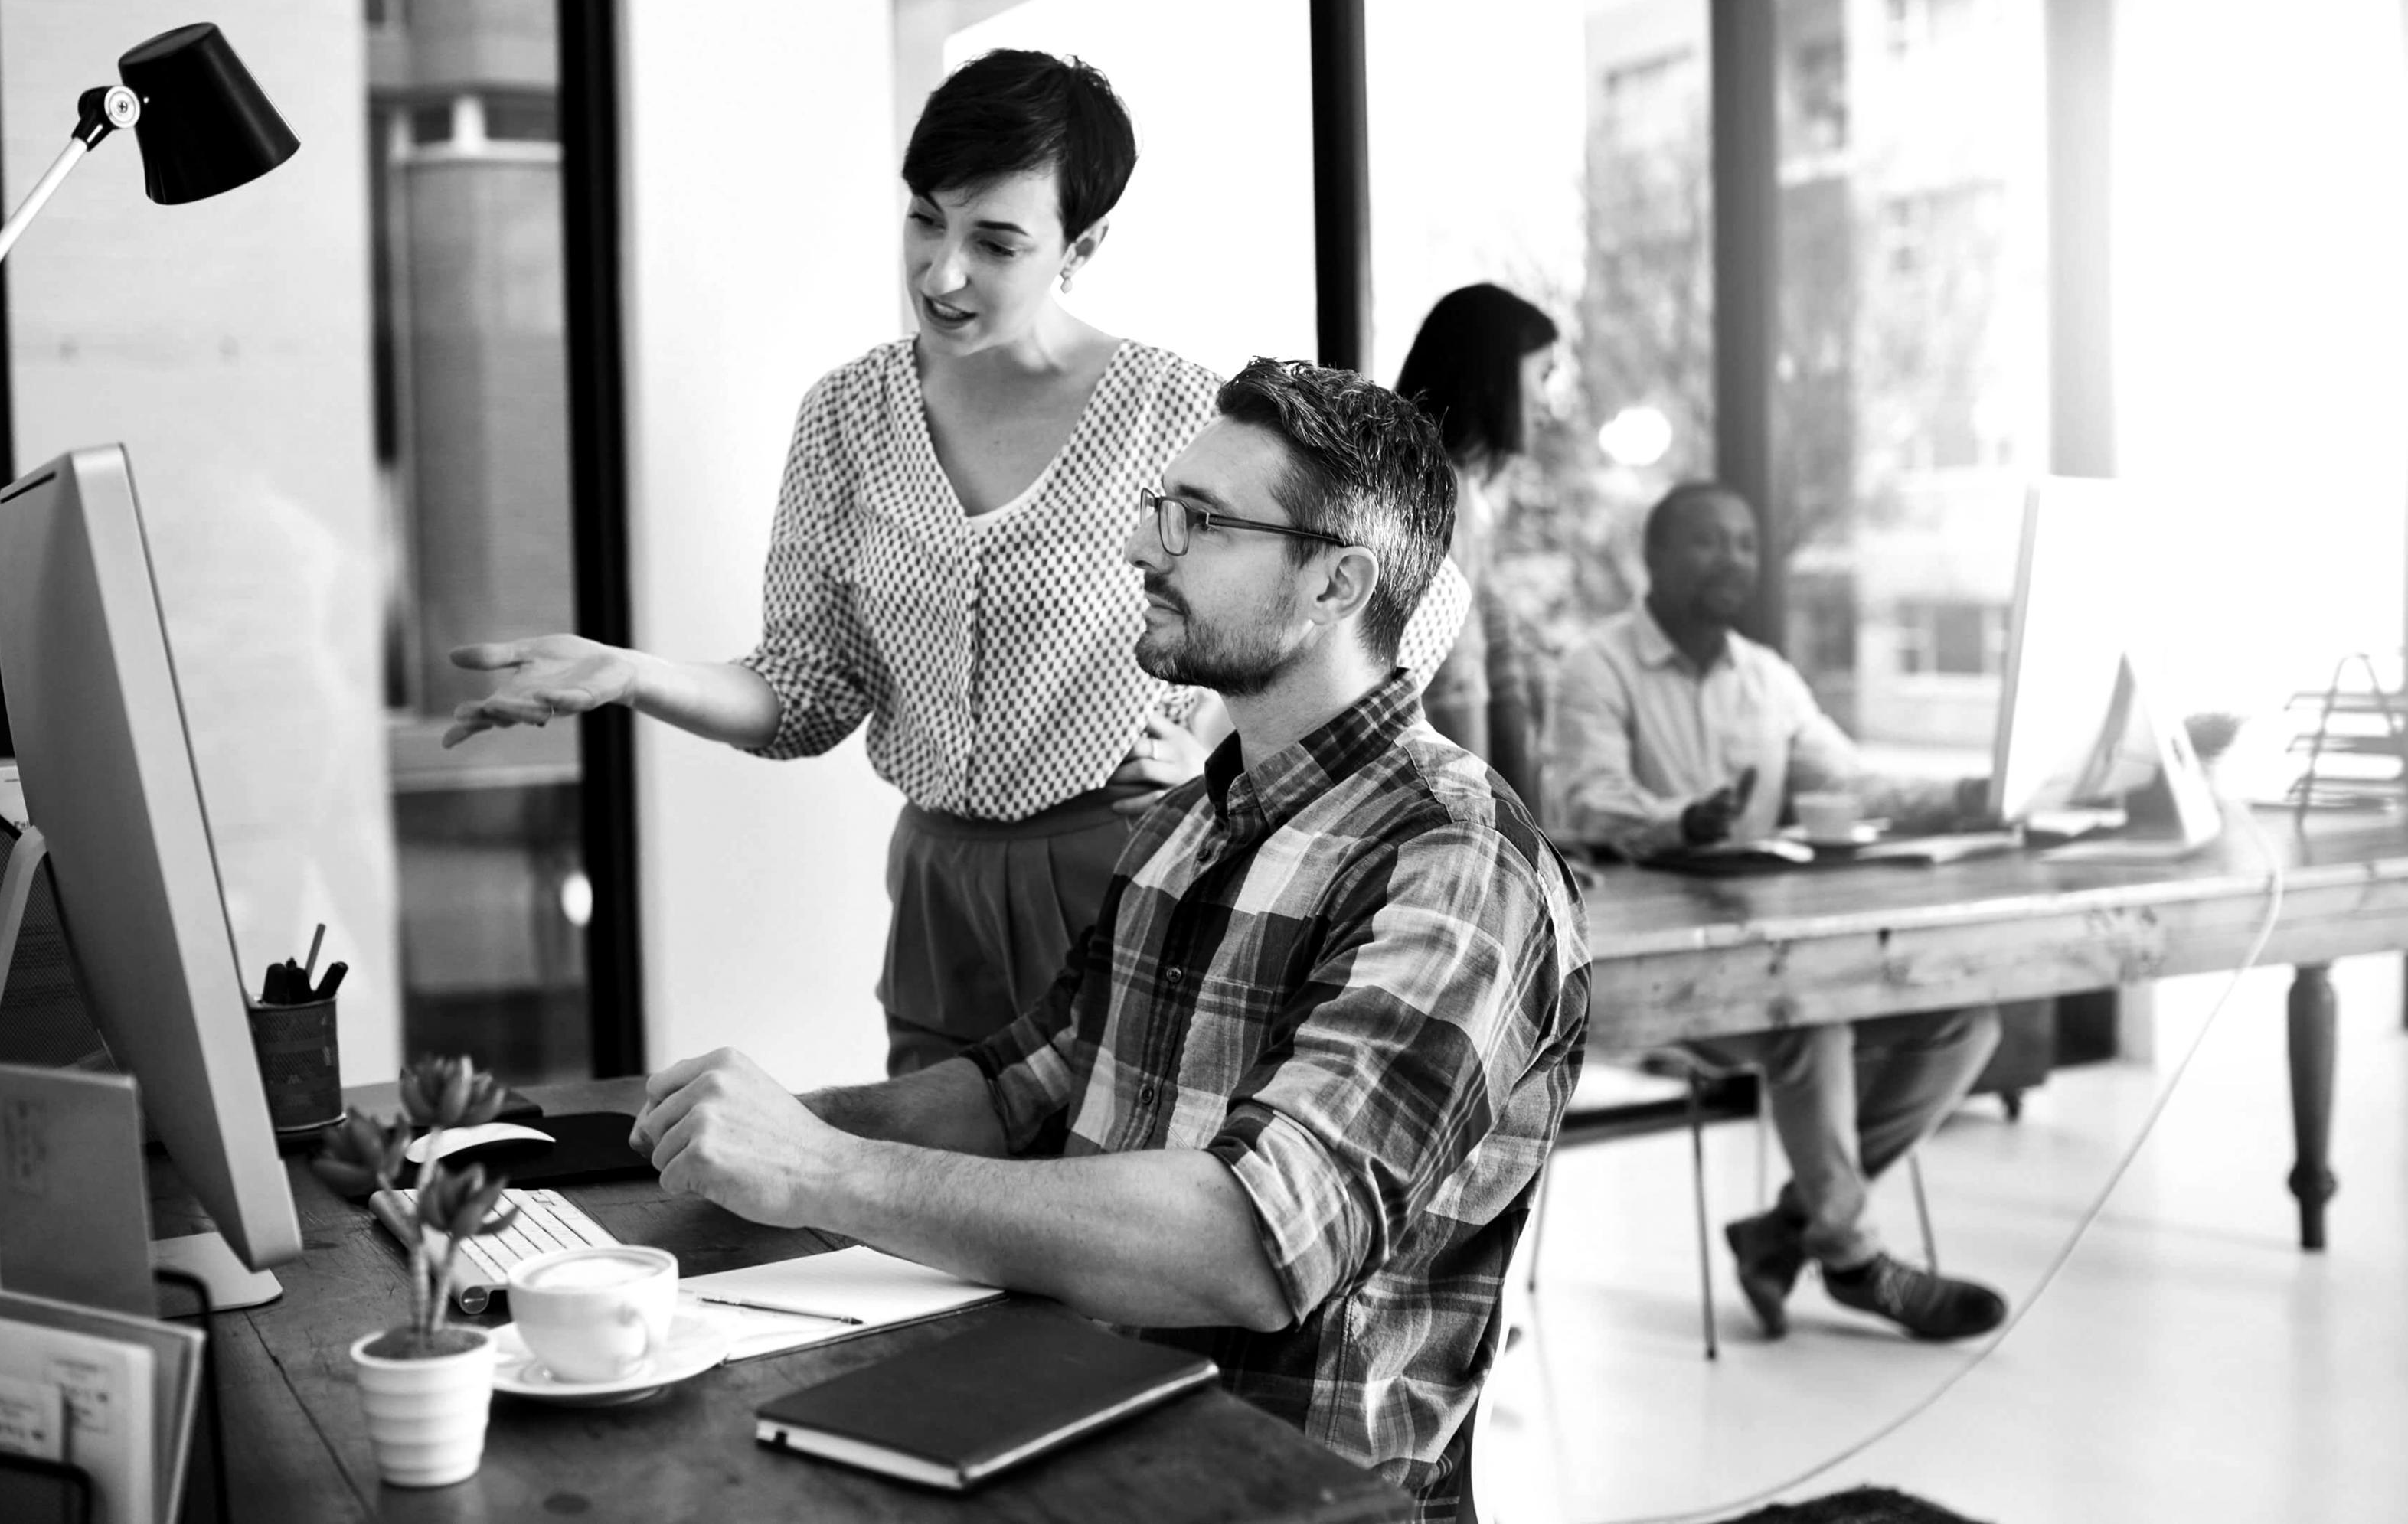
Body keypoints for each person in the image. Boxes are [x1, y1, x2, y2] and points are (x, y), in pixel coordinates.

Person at [630, 359, 1592, 1522]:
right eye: (1157, 508)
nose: (1143, 548)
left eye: (1199, 522)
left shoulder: (1455, 860)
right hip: (1075, 1424)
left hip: (1276, 1492)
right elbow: (1018, 1089)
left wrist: (819, 1169)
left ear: (1337, 583)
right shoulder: (1183, 821)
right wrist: (744, 1125)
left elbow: (1250, 1243)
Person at [440, 51, 1462, 1075]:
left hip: (1131, 864)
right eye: (924, 219)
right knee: (925, 1201)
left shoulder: (1179, 410)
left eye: (995, 242)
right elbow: (804, 692)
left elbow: (1414, 601)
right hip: (938, 890)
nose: (941, 273)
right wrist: (628, 674)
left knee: (1104, 1200)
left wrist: (1216, 741)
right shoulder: (843, 416)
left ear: (1083, 243)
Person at [1547, 478, 2008, 1343]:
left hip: (1767, 946)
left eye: (1746, 542)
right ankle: (1852, 1259)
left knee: (1963, 1017)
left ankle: (1785, 1229)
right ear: (1653, 557)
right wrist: (1678, 821)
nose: (1734, 559)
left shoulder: (1767, 679)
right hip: (1647, 961)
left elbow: (1853, 782)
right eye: (1708, 540)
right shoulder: (1595, 667)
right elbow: (1585, 800)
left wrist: (1965, 794)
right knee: (1810, 1023)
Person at [1392, 283, 1556, 809]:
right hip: (1442, 818)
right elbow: (1455, 683)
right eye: (1544, 376)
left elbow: (1498, 662)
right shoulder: (1432, 491)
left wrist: (1529, 836)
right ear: (1496, 376)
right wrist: (1486, 832)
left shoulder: (1459, 493)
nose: (1547, 404)